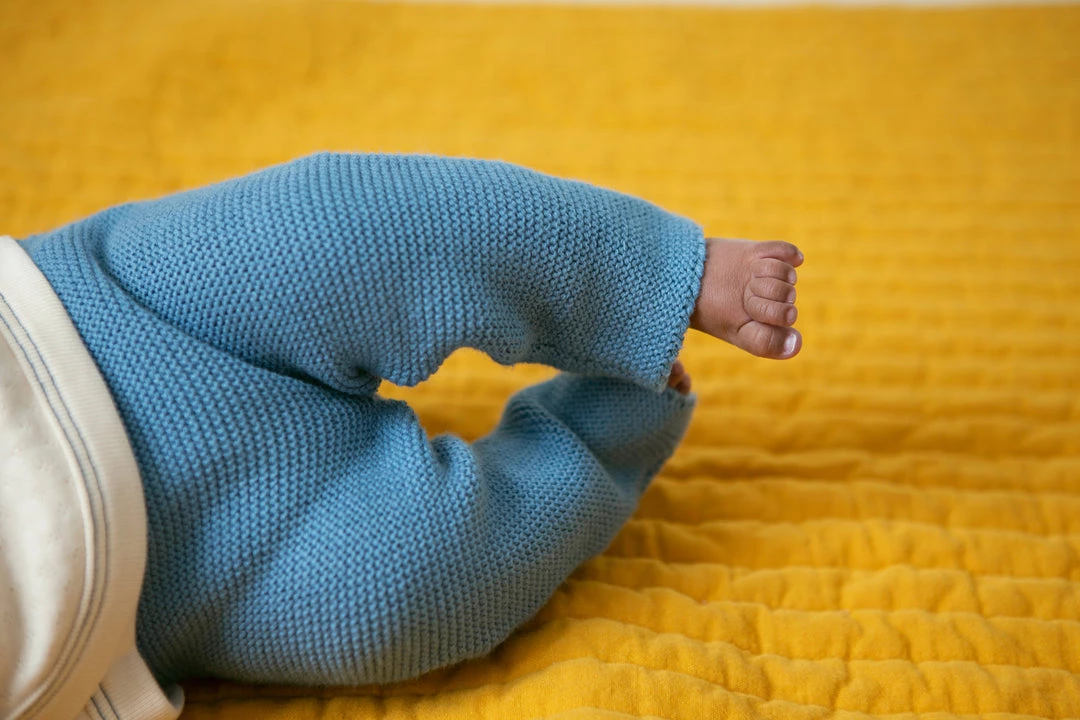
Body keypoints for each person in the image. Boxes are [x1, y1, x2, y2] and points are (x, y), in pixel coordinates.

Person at [0, 152, 801, 720]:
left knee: (342, 229)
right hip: (154, 596)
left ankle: (648, 272)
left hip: (74, 313)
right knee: (398, 593)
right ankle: (602, 427)